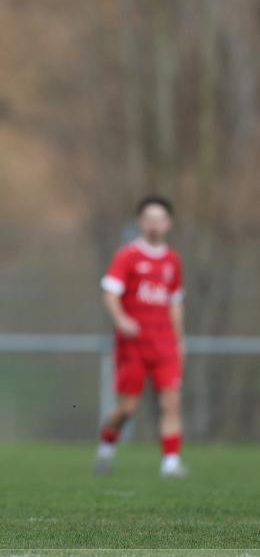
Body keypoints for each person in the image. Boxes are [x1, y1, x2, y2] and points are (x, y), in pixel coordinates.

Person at [95, 196, 187, 478]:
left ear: (168, 223)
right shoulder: (128, 255)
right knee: (127, 408)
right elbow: (110, 293)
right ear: (141, 222)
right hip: (133, 345)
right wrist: (122, 320)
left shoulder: (173, 261)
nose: (154, 225)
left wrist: (180, 339)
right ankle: (106, 447)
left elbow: (175, 303)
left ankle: (170, 463)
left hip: (164, 344)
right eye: (149, 219)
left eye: (160, 220)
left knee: (170, 402)